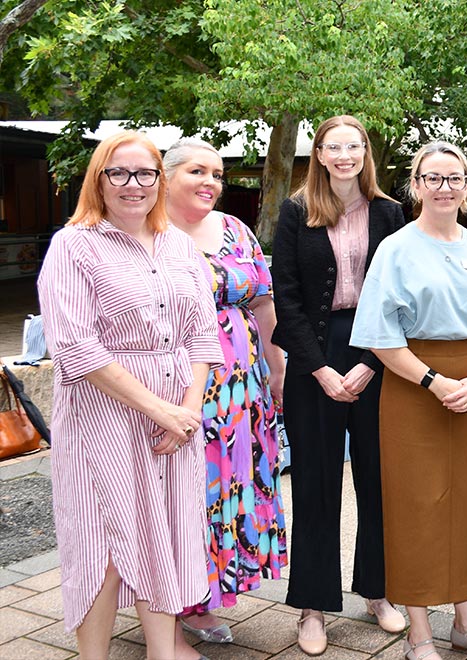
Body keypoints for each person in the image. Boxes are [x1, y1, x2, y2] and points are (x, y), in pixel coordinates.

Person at [37, 130, 222, 659]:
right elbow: (76, 347)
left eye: (145, 173)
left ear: (159, 182)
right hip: (105, 420)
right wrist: (161, 410)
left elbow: (203, 338)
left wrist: (185, 412)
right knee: (104, 545)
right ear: (99, 180)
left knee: (163, 536)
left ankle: (162, 652)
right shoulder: (75, 245)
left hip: (174, 421)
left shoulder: (179, 246)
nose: (133, 184)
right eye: (119, 173)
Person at [350, 140, 467, 660]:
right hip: (411, 389)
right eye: (433, 178)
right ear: (416, 186)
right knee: (415, 507)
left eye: (454, 178)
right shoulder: (396, 249)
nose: (444, 188)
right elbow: (380, 338)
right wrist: (433, 381)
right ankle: (420, 632)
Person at [271, 115, 407, 655]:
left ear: (365, 152)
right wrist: (320, 369)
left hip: (377, 351)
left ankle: (378, 592)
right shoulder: (295, 210)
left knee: (378, 481)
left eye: (354, 145)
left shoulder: (390, 212)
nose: (345, 154)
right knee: (315, 483)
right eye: (334, 146)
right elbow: (286, 296)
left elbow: (401, 295)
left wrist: (372, 362)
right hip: (313, 353)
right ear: (320, 154)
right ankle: (312, 605)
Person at [162, 138, 288, 654]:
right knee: (181, 493)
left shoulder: (235, 230)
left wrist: (278, 371)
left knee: (227, 489)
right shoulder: (144, 234)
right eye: (197, 171)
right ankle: (171, 602)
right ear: (164, 176)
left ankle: (205, 595)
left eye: (217, 173)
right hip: (176, 386)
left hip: (242, 387)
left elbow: (262, 300)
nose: (211, 181)